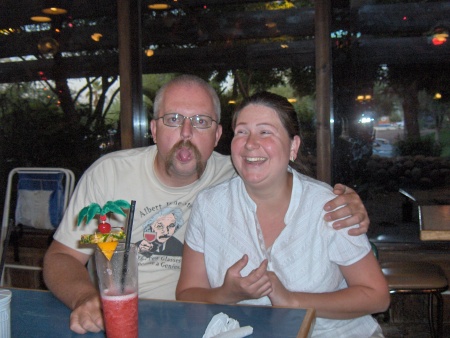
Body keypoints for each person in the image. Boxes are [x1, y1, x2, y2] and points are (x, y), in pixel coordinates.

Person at [43, 75, 371, 335]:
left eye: (200, 122)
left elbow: (287, 179)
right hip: (119, 322)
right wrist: (86, 298)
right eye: (173, 119)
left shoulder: (239, 174)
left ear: (217, 135)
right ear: (154, 130)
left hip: (207, 324)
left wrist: (345, 201)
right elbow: (62, 257)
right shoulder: (110, 176)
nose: (186, 133)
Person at [176, 91, 390, 338]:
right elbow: (187, 293)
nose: (250, 143)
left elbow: (377, 296)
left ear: (293, 146)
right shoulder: (209, 205)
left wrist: (292, 301)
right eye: (242, 132)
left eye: (265, 132)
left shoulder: (329, 206)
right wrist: (227, 294)